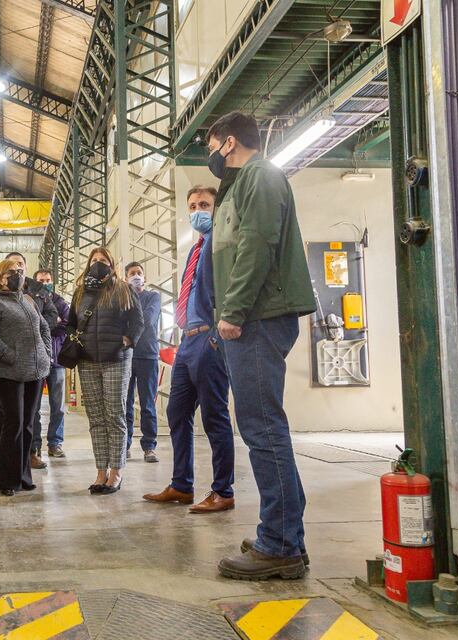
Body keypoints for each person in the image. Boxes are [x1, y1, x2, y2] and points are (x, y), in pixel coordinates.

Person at [207, 112, 316, 581]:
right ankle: (287, 535)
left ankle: (280, 544)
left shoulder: (261, 177)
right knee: (262, 426)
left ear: (229, 143)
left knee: (263, 427)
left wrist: (232, 312)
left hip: (258, 318)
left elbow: (256, 245)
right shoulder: (241, 185)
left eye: (212, 146)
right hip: (254, 317)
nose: (212, 155)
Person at [142, 186, 237, 516]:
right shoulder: (196, 249)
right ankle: (182, 485)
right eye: (193, 206)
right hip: (187, 341)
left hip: (209, 338)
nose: (198, 211)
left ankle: (223, 491)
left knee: (214, 416)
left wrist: (218, 331)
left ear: (216, 208)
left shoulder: (219, 243)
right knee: (177, 412)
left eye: (205, 205)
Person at [68, 248, 144, 495]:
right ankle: (101, 471)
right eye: (94, 260)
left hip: (116, 359)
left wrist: (128, 340)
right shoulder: (80, 293)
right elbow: (71, 323)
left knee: (115, 415)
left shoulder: (123, 289)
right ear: (88, 264)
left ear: (112, 265)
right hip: (87, 360)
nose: (98, 264)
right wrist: (77, 340)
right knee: (96, 418)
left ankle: (116, 472)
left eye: (103, 260)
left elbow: (138, 322)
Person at [0, 258, 52, 496]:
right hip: (10, 372)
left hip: (35, 371)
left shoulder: (28, 300)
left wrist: (46, 353)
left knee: (28, 424)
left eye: (20, 271)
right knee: (14, 424)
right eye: (11, 272)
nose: (18, 275)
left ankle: (23, 477)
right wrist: (10, 355)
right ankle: (7, 481)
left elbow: (44, 327)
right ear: (0, 277)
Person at [123, 262, 161, 463]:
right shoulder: (122, 298)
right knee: (125, 403)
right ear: (126, 278)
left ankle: (149, 446)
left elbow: (148, 319)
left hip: (148, 356)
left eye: (139, 273)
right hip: (126, 356)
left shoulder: (153, 297)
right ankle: (125, 444)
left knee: (147, 404)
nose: (136, 276)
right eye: (132, 273)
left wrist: (129, 329)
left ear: (144, 277)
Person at [32, 269, 70, 459]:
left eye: (48, 280)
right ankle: (35, 444)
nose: (45, 283)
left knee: (58, 406)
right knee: (34, 407)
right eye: (41, 280)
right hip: (37, 360)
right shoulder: (30, 300)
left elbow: (67, 325)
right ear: (35, 281)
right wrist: (53, 322)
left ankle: (55, 443)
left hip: (57, 361)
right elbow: (31, 326)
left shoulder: (60, 302)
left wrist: (47, 326)